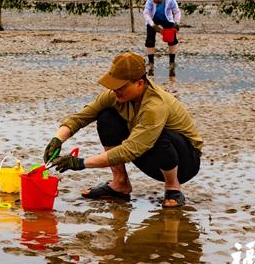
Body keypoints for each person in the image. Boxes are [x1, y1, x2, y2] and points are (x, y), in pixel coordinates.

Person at [43, 51, 203, 208]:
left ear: (139, 83)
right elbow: (81, 117)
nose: (115, 91)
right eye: (113, 86)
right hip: (149, 155)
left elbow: (130, 149)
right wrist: (57, 139)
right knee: (106, 117)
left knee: (160, 136)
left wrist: (80, 163)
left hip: (184, 163)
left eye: (120, 87)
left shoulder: (155, 106)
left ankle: (172, 188)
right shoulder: (115, 96)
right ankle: (120, 184)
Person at [143, 0, 182, 77]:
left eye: (158, 2)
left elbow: (176, 12)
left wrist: (176, 23)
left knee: (172, 40)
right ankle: (151, 62)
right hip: (153, 19)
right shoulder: (150, 0)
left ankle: (172, 62)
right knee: (149, 40)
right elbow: (146, 13)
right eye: (155, 1)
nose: (156, 3)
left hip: (166, 18)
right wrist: (153, 25)